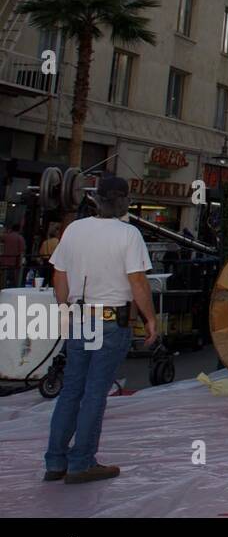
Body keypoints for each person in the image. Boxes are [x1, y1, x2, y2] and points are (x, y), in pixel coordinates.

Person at [44, 176, 158, 485]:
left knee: (71, 390)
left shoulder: (75, 230)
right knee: (95, 392)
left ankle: (55, 461)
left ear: (96, 200)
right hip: (111, 321)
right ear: (124, 202)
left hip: (79, 317)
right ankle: (82, 462)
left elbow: (59, 276)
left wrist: (65, 308)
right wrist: (150, 318)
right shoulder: (128, 234)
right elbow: (137, 282)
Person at [2, 221, 26, 288]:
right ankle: (14, 293)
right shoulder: (20, 238)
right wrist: (21, 262)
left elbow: (1, 238)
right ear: (19, 229)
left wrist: (7, 231)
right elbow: (22, 251)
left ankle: (3, 289)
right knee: (14, 280)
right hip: (15, 261)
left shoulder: (7, 236)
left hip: (5, 260)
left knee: (4, 278)